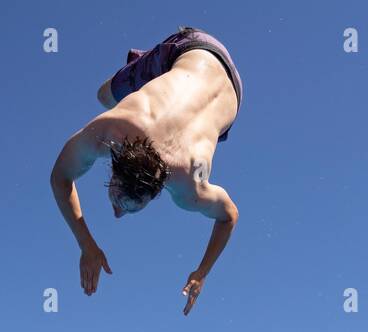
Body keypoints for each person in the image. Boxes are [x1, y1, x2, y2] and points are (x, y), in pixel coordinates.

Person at [50, 26, 243, 315]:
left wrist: (203, 271)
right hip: (199, 54)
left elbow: (230, 216)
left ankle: (149, 71)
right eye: (122, 206)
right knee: (104, 96)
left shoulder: (189, 184)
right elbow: (59, 177)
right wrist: (87, 245)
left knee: (107, 96)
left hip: (226, 83)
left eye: (121, 206)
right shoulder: (113, 128)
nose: (117, 213)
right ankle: (147, 69)